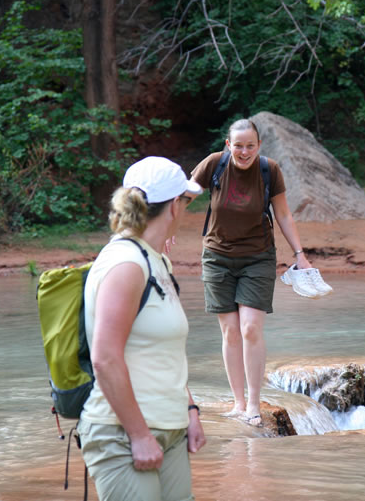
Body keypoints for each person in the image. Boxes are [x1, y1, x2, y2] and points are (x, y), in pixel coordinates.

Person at [77, 156, 207, 501]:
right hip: (121, 433)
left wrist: (190, 410)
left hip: (170, 428)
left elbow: (163, 351)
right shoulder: (126, 264)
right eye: (186, 201)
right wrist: (138, 435)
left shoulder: (156, 259)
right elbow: (105, 358)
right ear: (175, 207)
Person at [191, 117, 316, 427]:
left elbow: (283, 214)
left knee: (249, 329)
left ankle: (253, 403)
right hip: (217, 258)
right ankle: (237, 402)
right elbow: (184, 194)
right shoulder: (214, 164)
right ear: (227, 145)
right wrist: (164, 228)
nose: (244, 152)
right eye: (238, 146)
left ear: (258, 146)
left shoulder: (268, 169)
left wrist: (300, 254)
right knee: (230, 331)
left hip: (258, 258)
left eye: (250, 146)